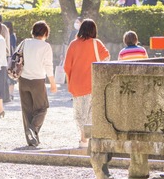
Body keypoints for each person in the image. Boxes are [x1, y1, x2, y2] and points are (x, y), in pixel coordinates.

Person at [62, 19, 109, 147]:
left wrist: (70, 80)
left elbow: (66, 66)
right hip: (93, 83)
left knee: (79, 113)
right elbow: (106, 58)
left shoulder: (73, 44)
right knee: (90, 112)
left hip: (77, 84)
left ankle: (83, 138)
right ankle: (86, 138)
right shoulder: (96, 43)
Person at [17, 20, 58, 148]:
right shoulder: (45, 46)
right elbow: (48, 66)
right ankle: (33, 128)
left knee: (27, 111)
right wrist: (53, 83)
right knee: (42, 108)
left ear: (33, 31)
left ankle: (32, 141)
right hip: (37, 81)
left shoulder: (25, 42)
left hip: (23, 80)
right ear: (45, 33)